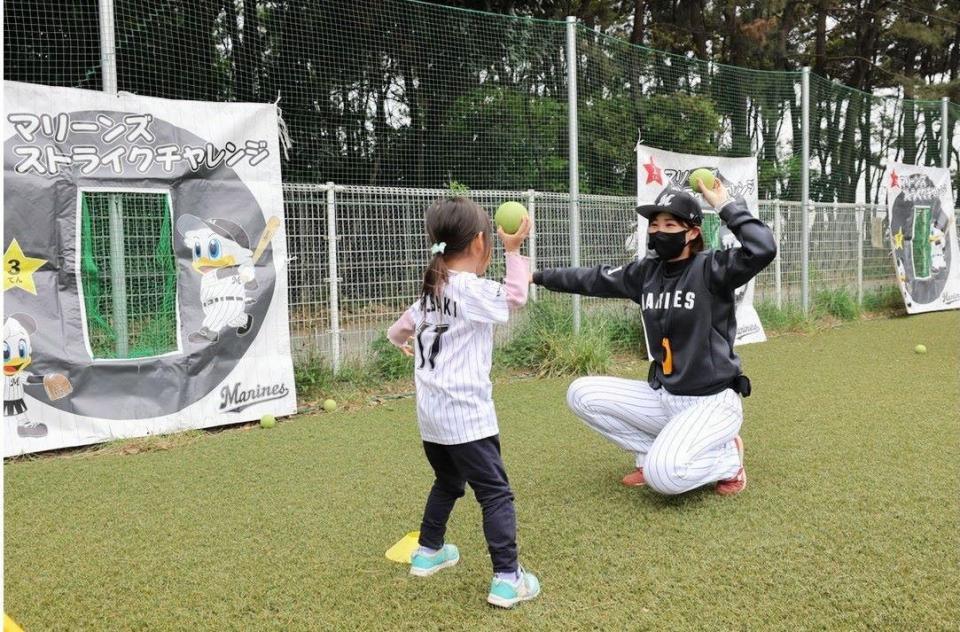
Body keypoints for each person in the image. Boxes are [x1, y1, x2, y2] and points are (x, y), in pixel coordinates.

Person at [531, 180, 777, 496]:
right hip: (665, 397)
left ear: (692, 233)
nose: (659, 231)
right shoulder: (647, 273)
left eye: (670, 224)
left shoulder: (712, 268)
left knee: (664, 478)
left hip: (713, 403)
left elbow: (763, 247)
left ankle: (728, 459)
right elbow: (593, 278)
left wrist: (726, 205)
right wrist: (536, 277)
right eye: (655, 223)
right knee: (581, 394)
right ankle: (652, 452)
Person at [387, 196, 540, 608]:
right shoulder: (471, 289)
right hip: (468, 419)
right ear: (478, 244)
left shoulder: (430, 290)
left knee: (449, 482)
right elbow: (516, 296)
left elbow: (398, 329)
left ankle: (429, 551)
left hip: (431, 421)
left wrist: (402, 342)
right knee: (496, 495)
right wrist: (514, 251)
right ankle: (509, 579)